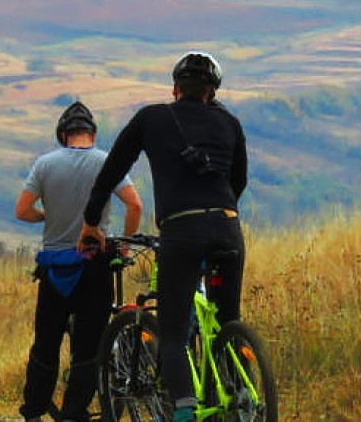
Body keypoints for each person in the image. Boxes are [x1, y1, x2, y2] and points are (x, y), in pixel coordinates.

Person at [80, 52, 248, 422]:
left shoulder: (152, 118)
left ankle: (185, 412)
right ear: (212, 92)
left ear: (175, 88)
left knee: (172, 334)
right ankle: (241, 399)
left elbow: (111, 172)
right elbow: (238, 181)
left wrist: (92, 221)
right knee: (227, 320)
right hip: (227, 228)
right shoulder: (229, 122)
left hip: (181, 230)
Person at [15, 101, 143, 422]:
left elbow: (22, 211)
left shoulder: (44, 164)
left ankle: (33, 410)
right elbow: (135, 206)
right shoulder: (106, 162)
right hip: (95, 263)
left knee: (46, 341)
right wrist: (124, 249)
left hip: (56, 266)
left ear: (63, 134)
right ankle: (74, 412)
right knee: (89, 346)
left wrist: (49, 215)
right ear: (93, 134)